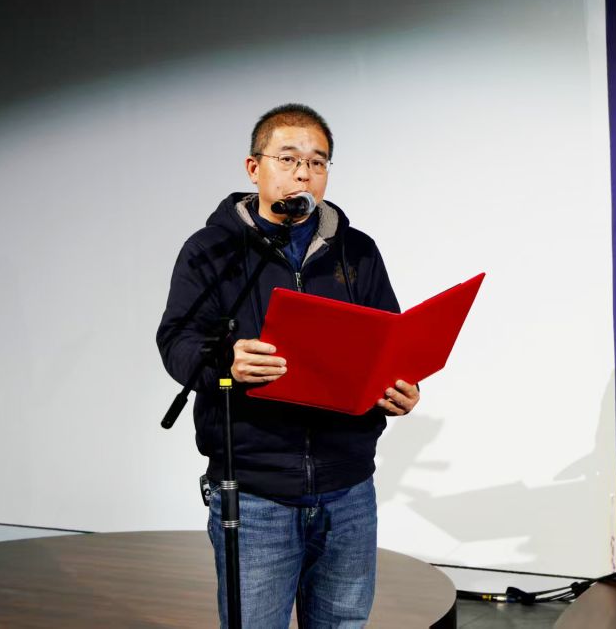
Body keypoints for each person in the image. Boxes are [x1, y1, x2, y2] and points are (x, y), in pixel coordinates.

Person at [157, 104, 420, 627]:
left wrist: (398, 387)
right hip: (256, 493)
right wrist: (226, 359)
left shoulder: (357, 252)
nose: (304, 173)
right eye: (289, 159)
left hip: (348, 489)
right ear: (254, 168)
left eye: (317, 162)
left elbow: (389, 341)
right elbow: (177, 340)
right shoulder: (211, 250)